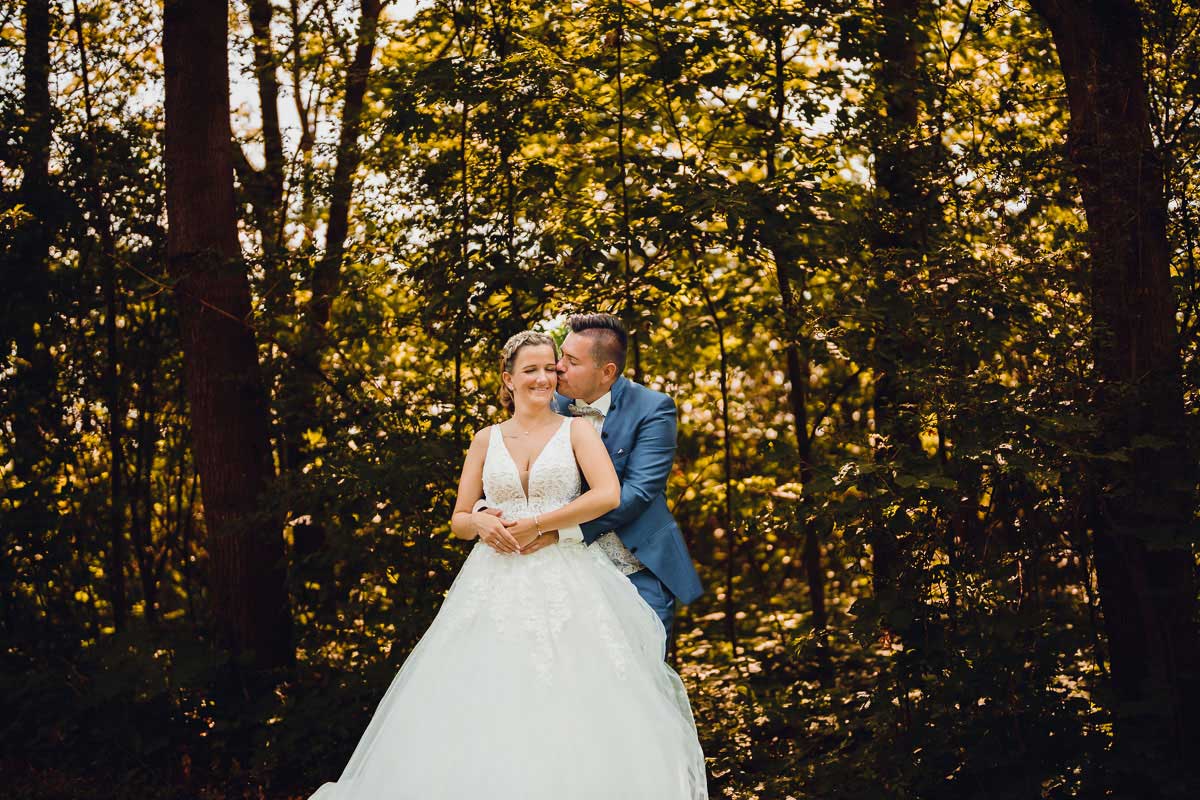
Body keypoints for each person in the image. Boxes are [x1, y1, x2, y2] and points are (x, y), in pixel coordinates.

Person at [309, 331, 707, 800]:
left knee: (576, 701)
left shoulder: (577, 430)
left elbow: (608, 494)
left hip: (567, 575)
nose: (544, 378)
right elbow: (457, 518)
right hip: (492, 582)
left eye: (550, 368)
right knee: (481, 700)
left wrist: (539, 524)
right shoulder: (485, 439)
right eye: (531, 370)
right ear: (508, 379)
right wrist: (478, 522)